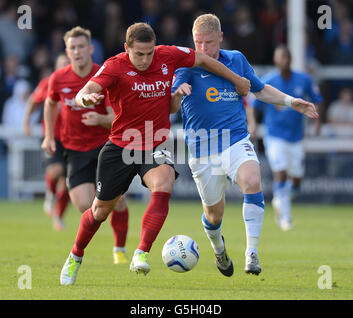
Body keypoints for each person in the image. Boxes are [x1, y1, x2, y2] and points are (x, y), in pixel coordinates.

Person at [58, 21, 251, 285]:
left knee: (164, 182)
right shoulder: (115, 65)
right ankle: (75, 256)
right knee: (100, 212)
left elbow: (205, 60)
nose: (146, 59)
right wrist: (85, 99)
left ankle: (141, 253)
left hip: (155, 144)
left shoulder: (168, 55)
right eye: (139, 54)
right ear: (127, 48)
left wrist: (237, 79)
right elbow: (87, 90)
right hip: (121, 146)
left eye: (150, 53)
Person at [171, 14, 318, 277]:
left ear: (221, 38)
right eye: (198, 43)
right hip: (203, 151)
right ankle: (219, 249)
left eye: (208, 43)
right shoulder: (186, 65)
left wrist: (291, 101)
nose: (202, 49)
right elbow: (171, 103)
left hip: (236, 139)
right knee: (214, 215)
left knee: (252, 179)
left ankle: (252, 253)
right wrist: (177, 93)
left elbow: (260, 90)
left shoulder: (236, 59)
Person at [41, 27, 129, 265]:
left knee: (117, 200)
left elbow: (117, 116)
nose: (77, 51)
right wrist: (49, 136)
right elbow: (49, 104)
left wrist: (101, 120)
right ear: (67, 51)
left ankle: (119, 249)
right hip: (74, 151)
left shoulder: (104, 75)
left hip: (105, 148)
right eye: (72, 47)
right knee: (84, 205)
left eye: (81, 47)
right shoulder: (58, 79)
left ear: (90, 49)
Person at [251, 45, 323, 231]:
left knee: (297, 179)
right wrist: (252, 124)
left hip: (296, 137)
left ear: (291, 59)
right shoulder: (268, 81)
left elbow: (317, 99)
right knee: (281, 172)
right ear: (276, 61)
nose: (284, 61)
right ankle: (286, 218)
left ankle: (281, 199)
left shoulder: (304, 79)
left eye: (287, 57)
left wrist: (317, 122)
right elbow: (252, 104)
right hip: (274, 135)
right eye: (280, 58)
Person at [23, 54, 71, 231]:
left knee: (67, 182)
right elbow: (33, 101)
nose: (65, 67)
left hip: (73, 139)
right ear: (57, 66)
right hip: (52, 137)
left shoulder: (78, 84)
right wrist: (26, 121)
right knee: (55, 170)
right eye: (62, 64)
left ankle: (58, 216)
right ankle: (50, 195)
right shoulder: (48, 83)